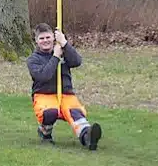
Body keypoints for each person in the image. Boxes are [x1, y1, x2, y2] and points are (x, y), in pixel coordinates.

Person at [26, 22, 102, 150]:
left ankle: (87, 136)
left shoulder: (63, 50)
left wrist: (65, 44)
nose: (45, 41)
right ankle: (45, 133)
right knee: (50, 112)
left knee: (75, 112)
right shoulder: (33, 59)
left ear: (53, 37)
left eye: (48, 37)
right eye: (42, 38)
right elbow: (44, 76)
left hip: (66, 93)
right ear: (37, 41)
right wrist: (55, 57)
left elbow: (77, 62)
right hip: (44, 94)